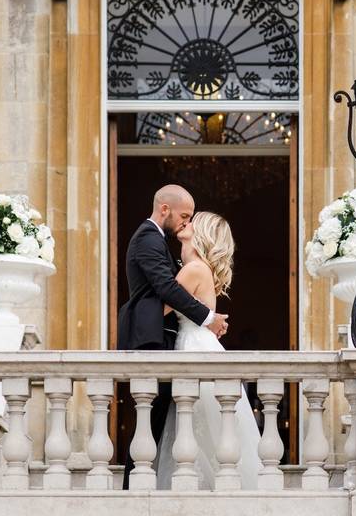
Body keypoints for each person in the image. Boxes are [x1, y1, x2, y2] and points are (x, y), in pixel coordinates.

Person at [117, 185, 229, 489]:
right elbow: (166, 290)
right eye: (184, 216)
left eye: (191, 219)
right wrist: (209, 318)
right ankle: (135, 488)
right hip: (163, 344)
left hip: (178, 344)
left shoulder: (183, 261)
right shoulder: (149, 238)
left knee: (158, 423)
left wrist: (206, 319)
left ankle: (136, 487)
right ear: (164, 209)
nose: (185, 223)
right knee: (154, 422)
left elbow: (167, 295)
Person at [154, 211, 262, 489]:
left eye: (192, 220)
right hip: (199, 343)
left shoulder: (193, 270)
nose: (185, 222)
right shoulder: (198, 268)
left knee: (198, 429)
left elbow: (157, 311)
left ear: (201, 233)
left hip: (193, 348)